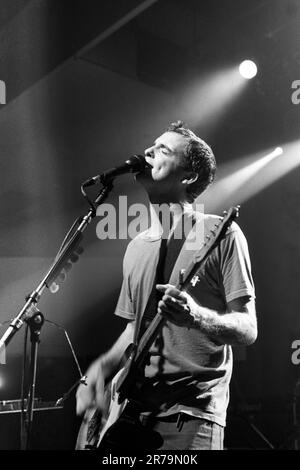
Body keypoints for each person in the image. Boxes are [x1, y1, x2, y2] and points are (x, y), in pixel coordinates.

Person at [76, 121, 257, 451]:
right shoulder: (136, 246)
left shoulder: (219, 233)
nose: (148, 152)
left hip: (189, 417)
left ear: (188, 177)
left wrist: (196, 317)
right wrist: (101, 367)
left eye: (163, 150)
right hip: (129, 415)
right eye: (151, 145)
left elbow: (247, 328)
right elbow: (136, 328)